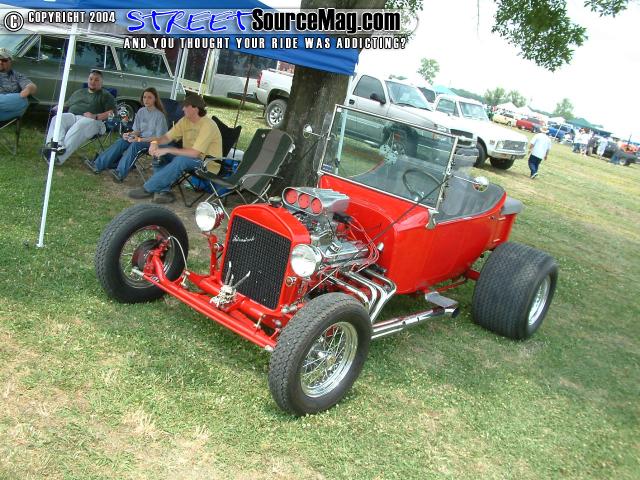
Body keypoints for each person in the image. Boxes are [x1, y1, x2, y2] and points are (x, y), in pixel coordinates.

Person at [128, 94, 222, 204]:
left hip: (206, 163)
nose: (182, 109)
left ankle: (148, 188)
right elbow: (167, 137)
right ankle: (163, 192)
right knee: (160, 150)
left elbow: (195, 153)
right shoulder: (185, 121)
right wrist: (155, 143)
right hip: (188, 157)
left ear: (195, 108)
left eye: (186, 106)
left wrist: (168, 150)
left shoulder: (208, 125)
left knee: (180, 159)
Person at [86, 87, 168, 181]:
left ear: (155, 99)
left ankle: (120, 173)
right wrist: (129, 134)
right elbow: (137, 130)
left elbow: (159, 138)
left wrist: (139, 139)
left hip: (153, 143)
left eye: (150, 97)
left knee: (135, 144)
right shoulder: (141, 111)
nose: (146, 100)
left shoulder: (160, 116)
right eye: (144, 97)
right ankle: (97, 165)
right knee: (122, 141)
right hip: (140, 138)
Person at [44, 70, 116, 165]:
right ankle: (55, 147)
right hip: (73, 117)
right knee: (57, 118)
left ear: (101, 82)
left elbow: (112, 113)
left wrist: (95, 116)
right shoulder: (79, 92)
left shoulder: (106, 95)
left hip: (94, 122)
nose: (93, 81)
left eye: (96, 80)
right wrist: (58, 107)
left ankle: (57, 158)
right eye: (91, 79)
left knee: (80, 125)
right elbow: (67, 104)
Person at [0, 47, 37, 121]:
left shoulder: (17, 76)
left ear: (10, 61)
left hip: (8, 106)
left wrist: (28, 89)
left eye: (4, 60)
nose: (0, 62)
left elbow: (33, 87)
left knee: (23, 101)